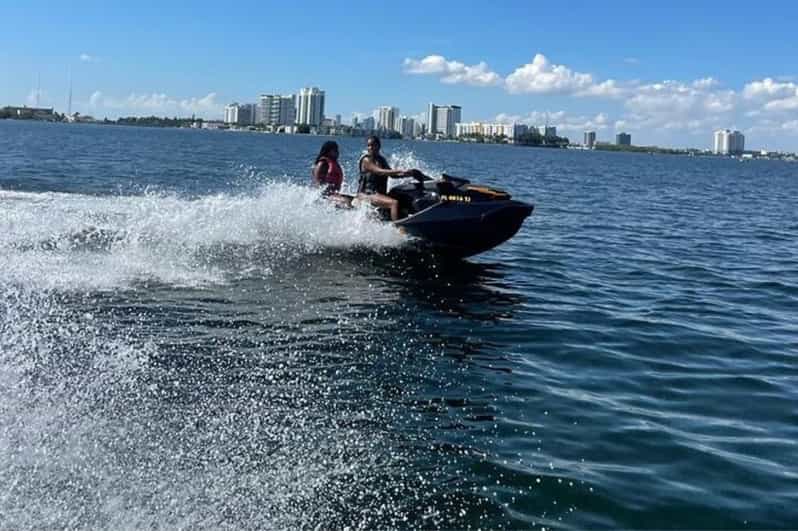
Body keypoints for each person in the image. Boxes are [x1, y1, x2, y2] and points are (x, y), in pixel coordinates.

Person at [357, 136, 413, 221]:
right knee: (394, 203)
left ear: (379, 146)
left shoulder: (381, 160)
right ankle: (398, 230)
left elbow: (392, 175)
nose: (370, 148)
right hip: (366, 194)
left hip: (378, 194)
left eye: (373, 145)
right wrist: (400, 170)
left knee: (403, 195)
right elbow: (380, 171)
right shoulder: (366, 160)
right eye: (368, 145)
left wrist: (407, 174)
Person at [312, 141, 352, 207]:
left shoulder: (334, 163)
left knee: (356, 201)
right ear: (328, 151)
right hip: (325, 196)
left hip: (334, 195)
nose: (338, 152)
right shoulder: (322, 164)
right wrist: (325, 194)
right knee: (346, 202)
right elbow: (318, 184)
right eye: (335, 150)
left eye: (337, 150)